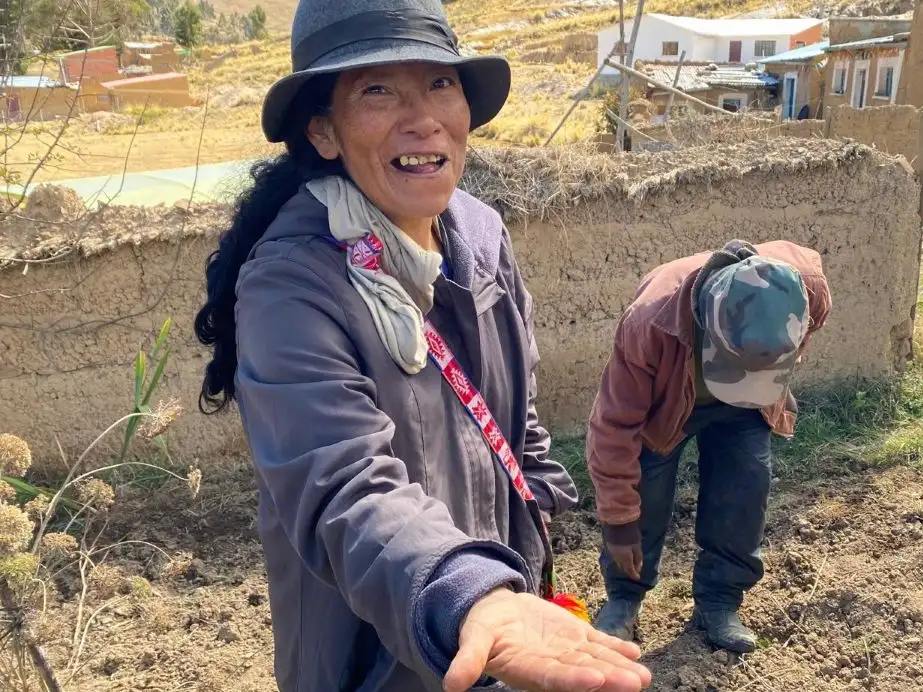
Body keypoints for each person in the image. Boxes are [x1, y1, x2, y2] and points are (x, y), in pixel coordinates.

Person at [193, 1, 653, 691]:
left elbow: (515, 413)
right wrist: (466, 595)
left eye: (440, 84)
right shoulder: (292, 286)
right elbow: (344, 486)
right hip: (377, 653)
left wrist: (527, 541)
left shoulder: (481, 234)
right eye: (377, 90)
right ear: (323, 130)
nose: (423, 117)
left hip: (497, 622)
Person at [586, 239, 832, 653]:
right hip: (666, 406)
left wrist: (770, 369)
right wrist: (618, 522)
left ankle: (719, 601)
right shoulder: (651, 322)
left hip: (749, 404)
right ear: (705, 320)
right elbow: (613, 427)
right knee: (646, 492)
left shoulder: (808, 287)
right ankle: (625, 597)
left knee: (744, 489)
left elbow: (807, 334)